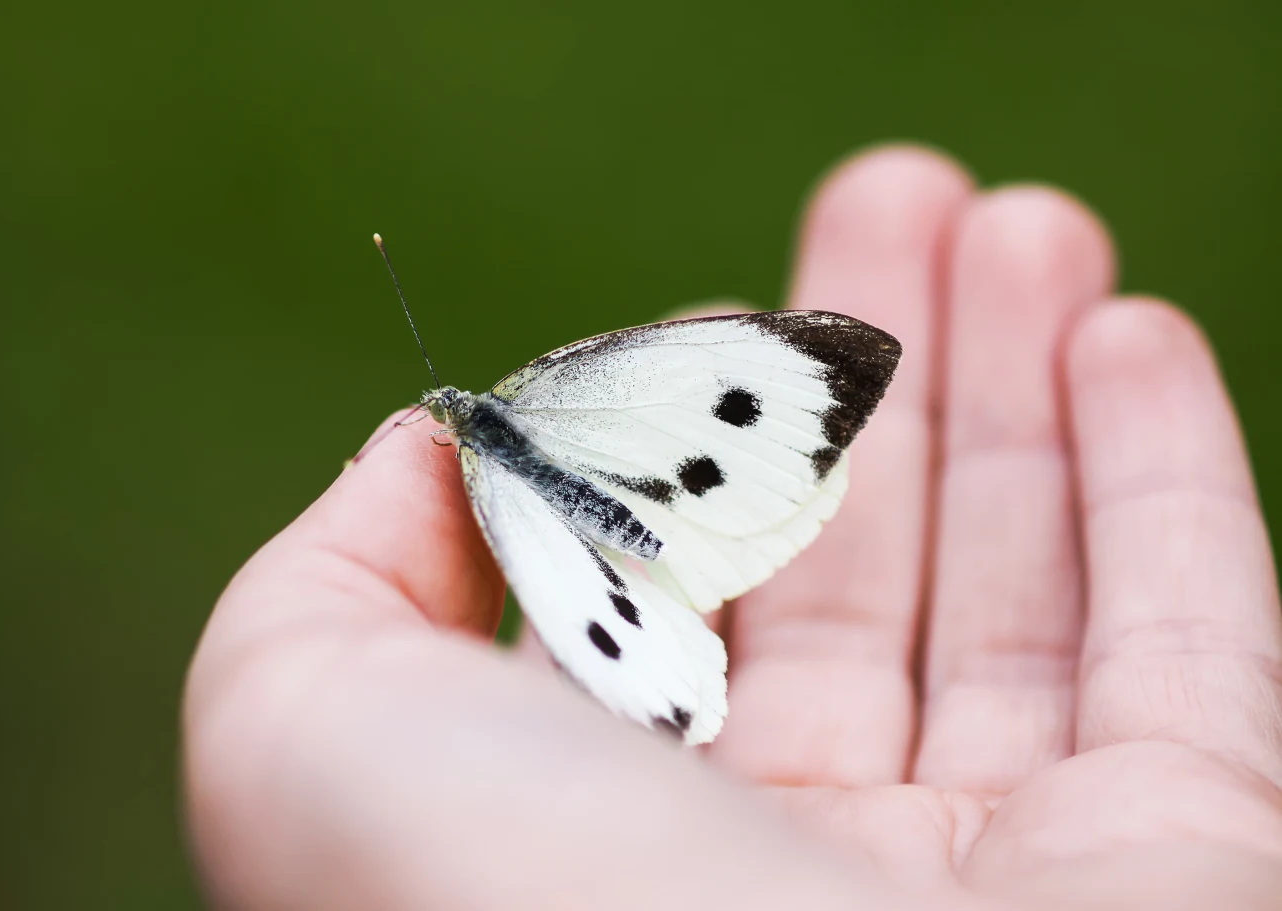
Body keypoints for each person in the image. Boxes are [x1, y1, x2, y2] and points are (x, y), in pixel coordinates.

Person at [182, 146, 1282, 909]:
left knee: (602, 592)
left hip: (596, 556)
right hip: (645, 535)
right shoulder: (504, 425)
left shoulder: (477, 443)